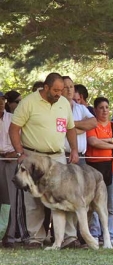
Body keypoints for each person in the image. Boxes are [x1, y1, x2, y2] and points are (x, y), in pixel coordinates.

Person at [9, 72, 79, 249]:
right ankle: (35, 237)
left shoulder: (64, 103)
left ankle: (69, 237)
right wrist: (20, 153)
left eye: (61, 90)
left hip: (57, 156)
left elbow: (70, 129)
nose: (59, 93)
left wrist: (75, 150)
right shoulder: (28, 102)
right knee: (33, 198)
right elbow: (14, 129)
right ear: (46, 87)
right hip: (32, 156)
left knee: (64, 195)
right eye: (56, 90)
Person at [86, 97, 113, 246]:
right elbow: (93, 142)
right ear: (95, 109)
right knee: (94, 203)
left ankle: (109, 236)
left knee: (110, 204)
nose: (104, 110)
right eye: (101, 107)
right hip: (94, 168)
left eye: (106, 107)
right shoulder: (92, 124)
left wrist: (110, 140)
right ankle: (95, 234)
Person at [62, 76, 97, 166]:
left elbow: (93, 123)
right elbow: (60, 129)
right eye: (66, 87)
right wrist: (83, 127)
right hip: (63, 157)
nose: (69, 90)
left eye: (71, 87)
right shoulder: (56, 108)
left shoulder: (80, 107)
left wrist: (71, 125)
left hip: (80, 157)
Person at [0, 92, 19, 248]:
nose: (1, 103)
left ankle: (10, 236)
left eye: (2, 100)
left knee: (9, 200)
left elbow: (22, 139)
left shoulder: (12, 118)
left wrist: (15, 153)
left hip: (11, 160)